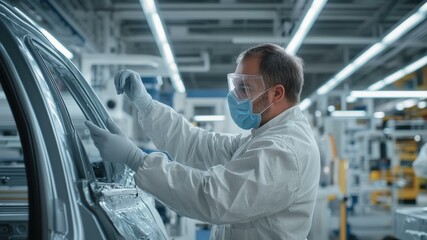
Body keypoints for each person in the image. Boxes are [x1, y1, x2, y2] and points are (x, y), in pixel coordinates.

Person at [85, 43, 321, 240]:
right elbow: (200, 145)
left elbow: (214, 198)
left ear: (277, 94)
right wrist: (147, 105)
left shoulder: (286, 150)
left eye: (244, 88)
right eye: (236, 86)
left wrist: (135, 159)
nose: (235, 95)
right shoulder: (263, 137)